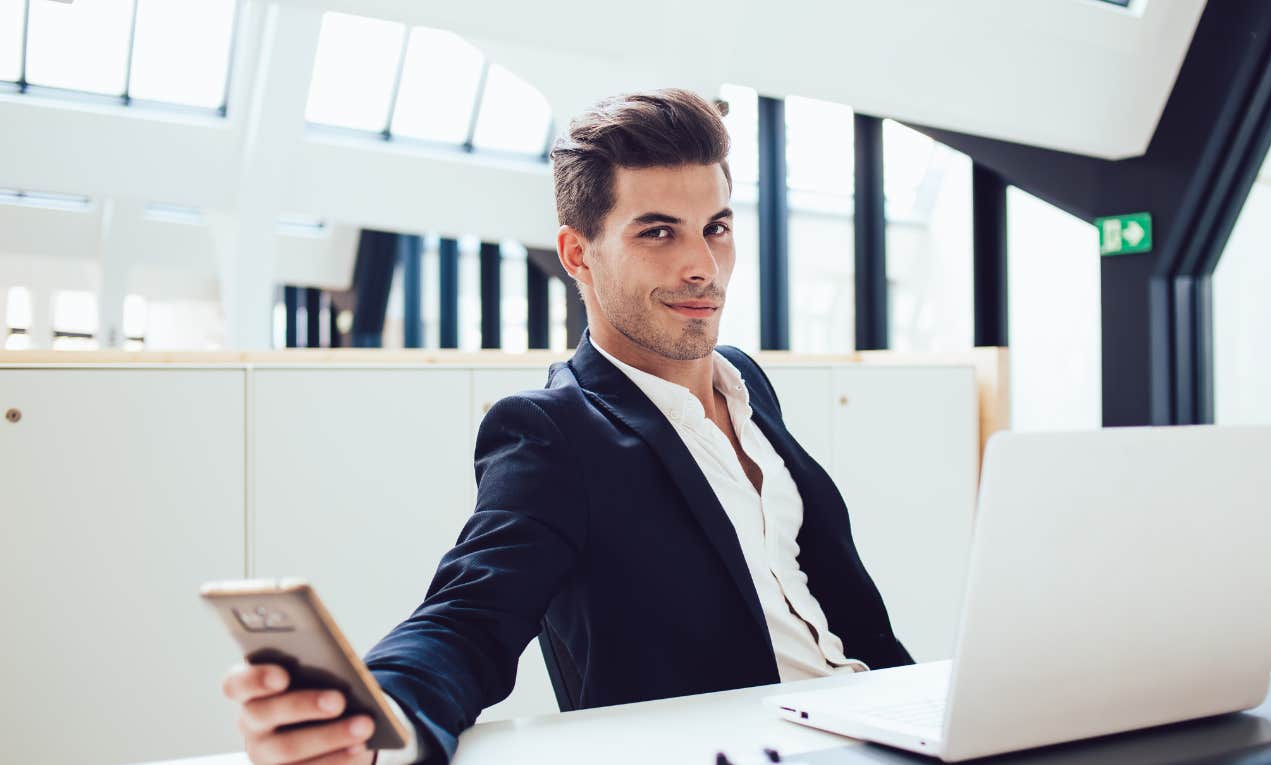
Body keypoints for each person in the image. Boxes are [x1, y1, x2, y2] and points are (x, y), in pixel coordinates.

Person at [220, 88, 911, 765]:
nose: (701, 265)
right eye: (658, 231)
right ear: (578, 254)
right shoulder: (552, 432)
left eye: (716, 228)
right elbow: (468, 617)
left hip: (888, 722)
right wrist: (380, 716)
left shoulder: (744, 380)